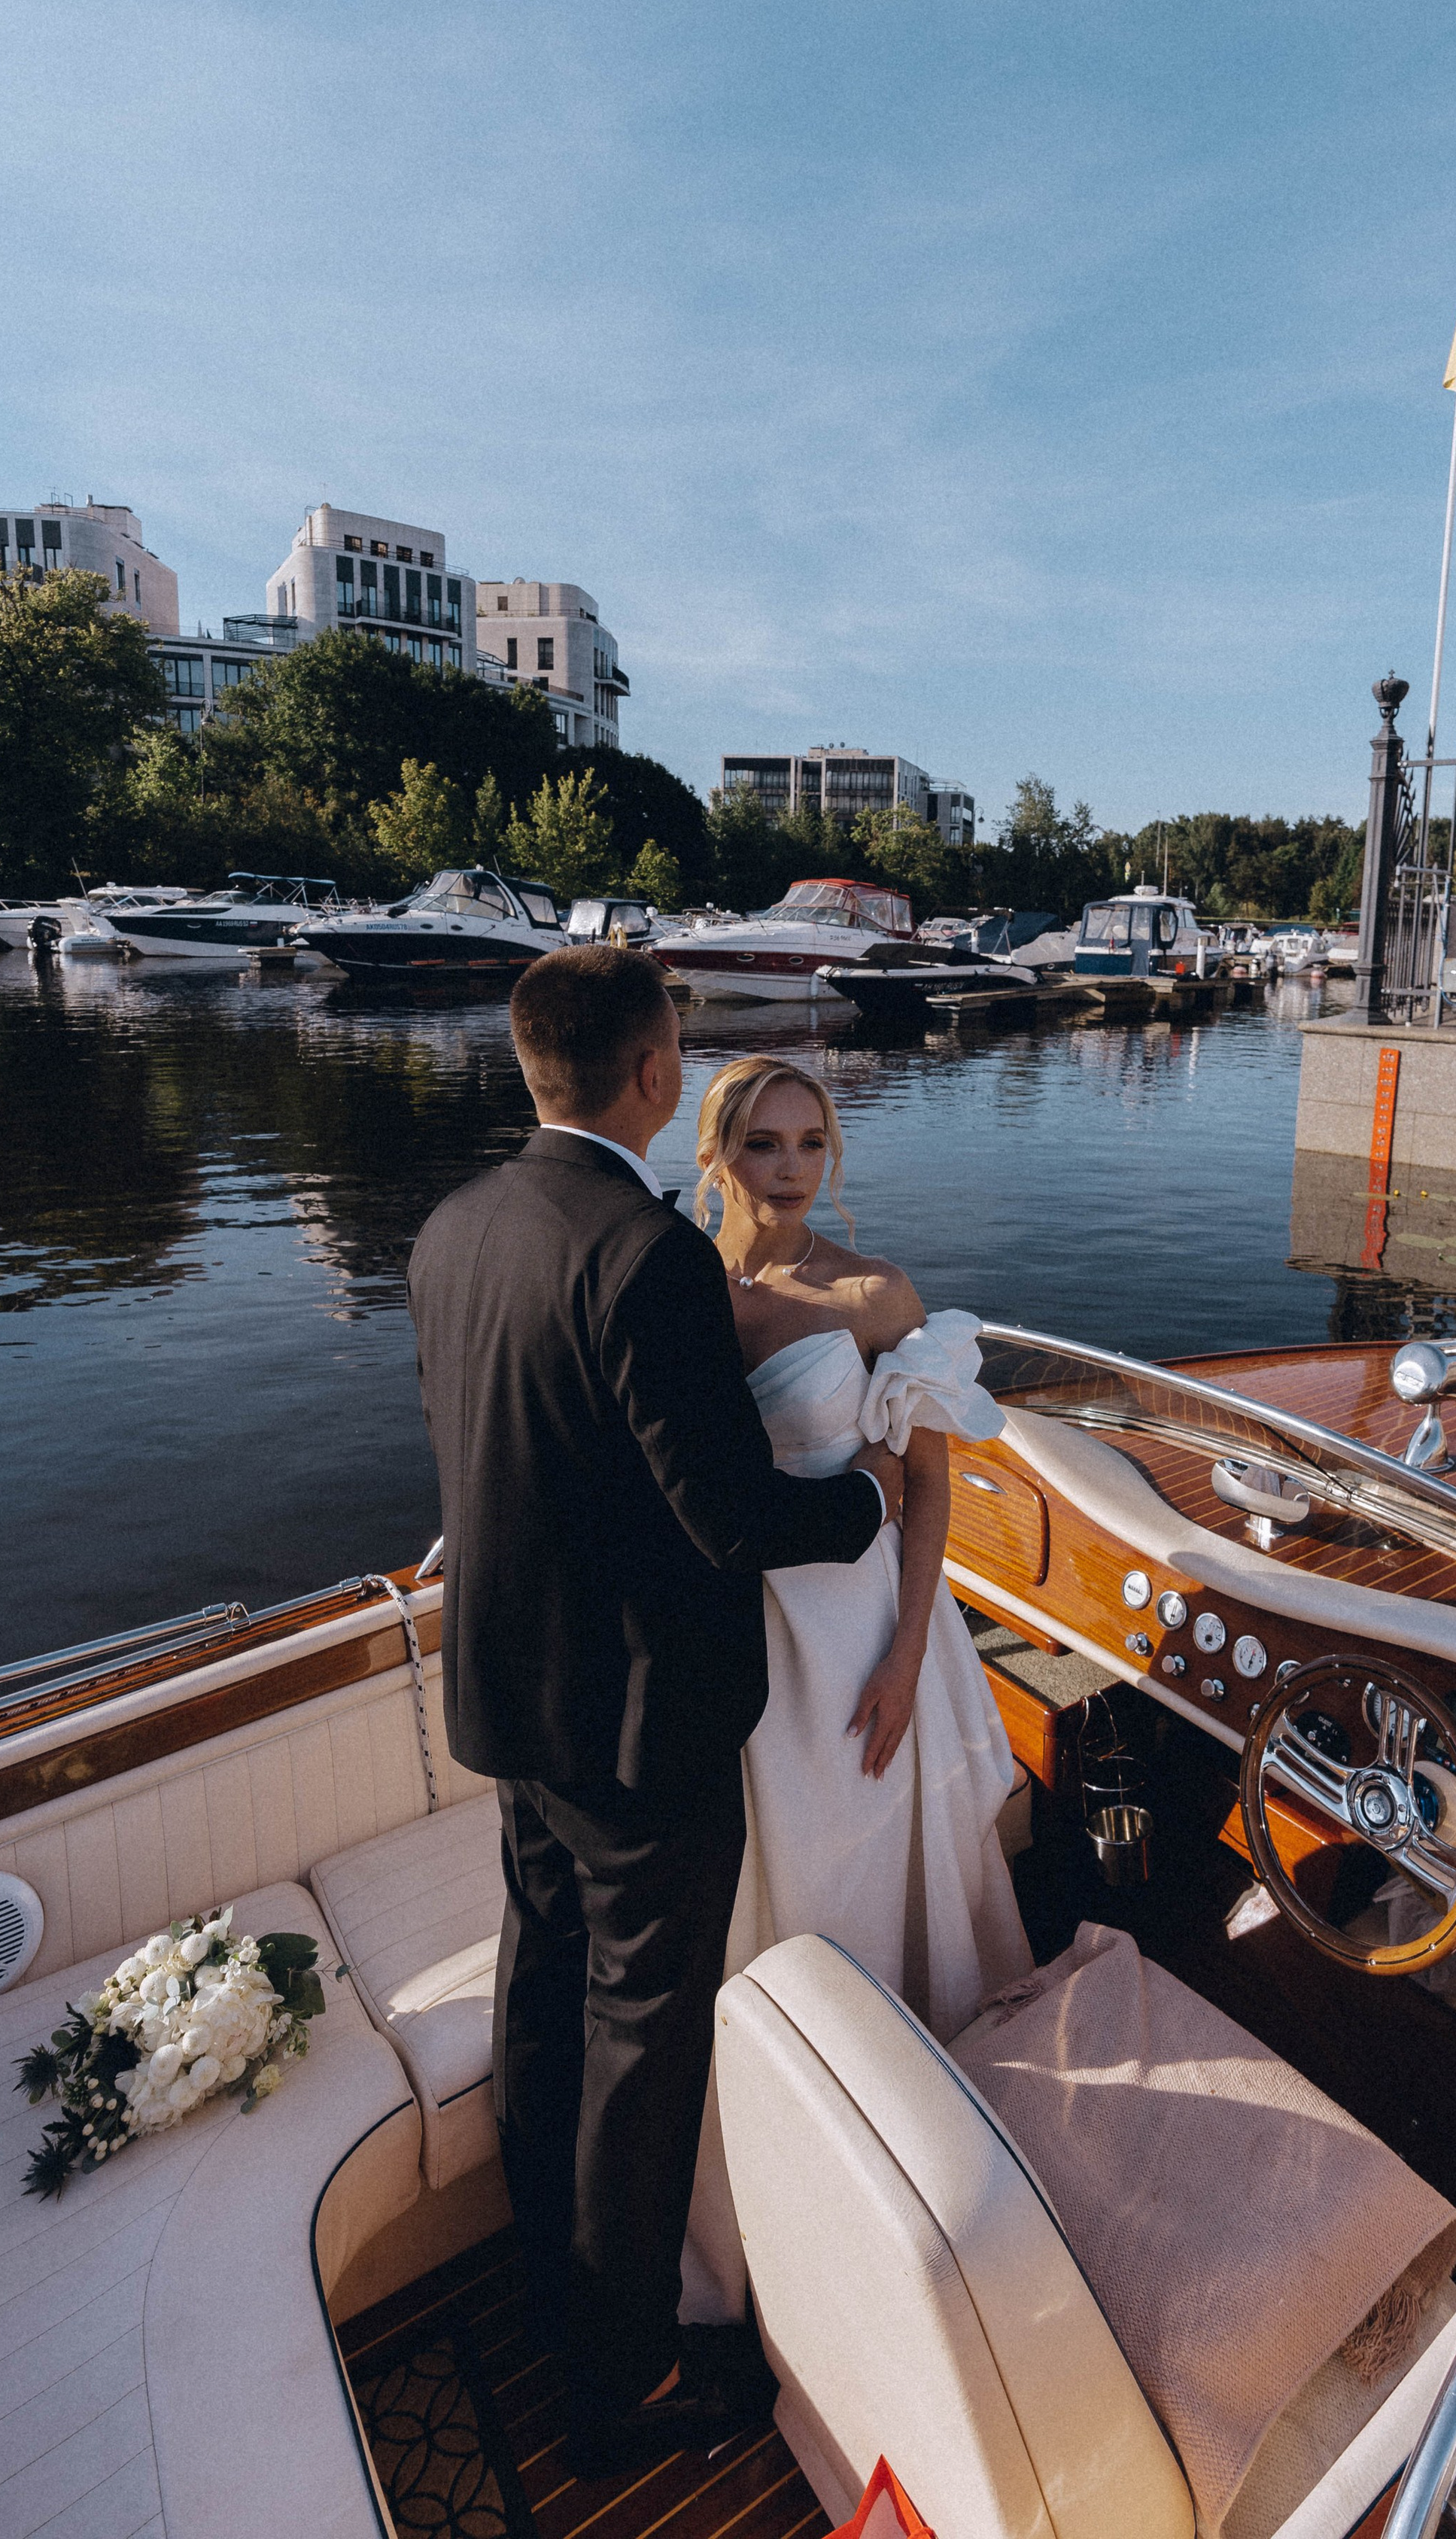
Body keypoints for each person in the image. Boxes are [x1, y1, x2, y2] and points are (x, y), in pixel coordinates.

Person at [406, 949, 903, 2474]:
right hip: (637, 1728)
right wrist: (870, 1504)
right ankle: (621, 2381)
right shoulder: (648, 1256)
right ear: (652, 1072)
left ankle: (543, 2271)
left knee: (541, 1986)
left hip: (507, 1694)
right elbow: (732, 1517)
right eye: (679, 1043)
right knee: (640, 2036)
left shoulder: (453, 1227)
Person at [679, 1054, 1033, 2328]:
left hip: (868, 1630)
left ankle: (922, 2130)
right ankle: (800, 2125)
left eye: (810, 1143)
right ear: (716, 1152)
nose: (789, 1168)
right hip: (744, 1640)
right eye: (764, 1144)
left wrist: (903, 1655)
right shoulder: (684, 1294)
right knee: (774, 1882)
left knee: (879, 1858)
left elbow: (927, 1489)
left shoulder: (879, 1293)